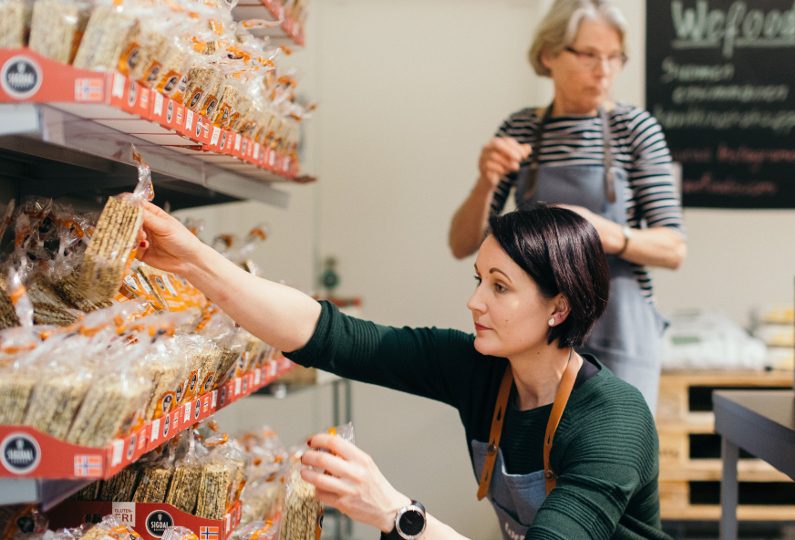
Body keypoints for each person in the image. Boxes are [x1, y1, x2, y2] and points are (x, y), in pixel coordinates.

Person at [137, 203, 669, 539]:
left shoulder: (611, 420)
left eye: (499, 287)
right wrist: (192, 260)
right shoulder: (485, 369)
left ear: (558, 309)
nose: (474, 302)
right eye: (479, 279)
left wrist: (394, 512)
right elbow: (329, 336)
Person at [448, 0, 686, 412]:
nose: (605, 70)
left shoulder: (636, 130)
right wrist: (485, 181)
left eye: (614, 57)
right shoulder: (522, 130)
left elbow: (673, 249)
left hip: (621, 328)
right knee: (543, 456)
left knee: (615, 451)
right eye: (589, 55)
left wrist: (603, 231)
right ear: (548, 54)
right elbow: (462, 244)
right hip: (539, 332)